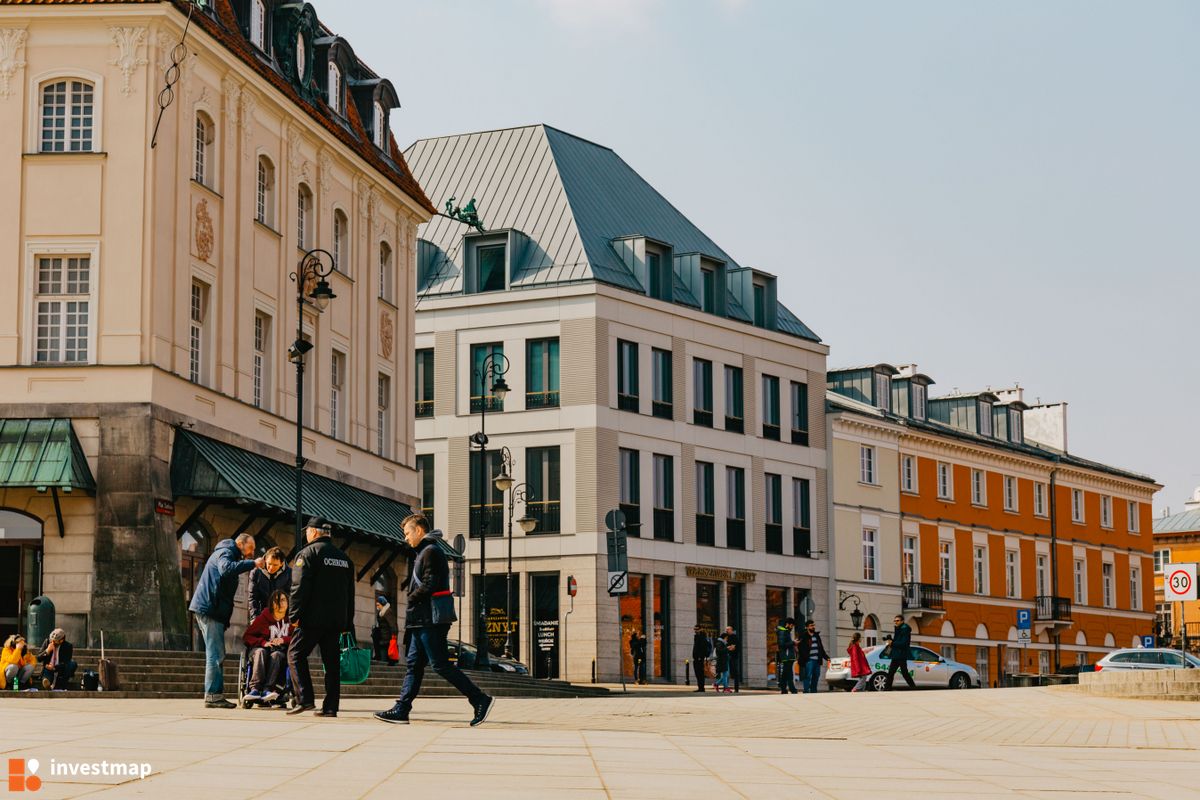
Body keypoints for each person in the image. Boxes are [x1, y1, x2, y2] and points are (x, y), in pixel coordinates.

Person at [375, 515, 493, 726]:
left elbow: (430, 583)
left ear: (419, 530)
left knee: (439, 665)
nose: (406, 538)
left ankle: (479, 699)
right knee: (413, 666)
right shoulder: (424, 552)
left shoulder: (431, 552)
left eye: (408, 533)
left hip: (430, 619)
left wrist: (410, 598)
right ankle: (402, 710)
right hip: (421, 619)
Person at [287, 519, 355, 718]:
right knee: (332, 663)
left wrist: (294, 615)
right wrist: (347, 623)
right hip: (336, 621)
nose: (306, 534)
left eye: (307, 531)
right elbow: (350, 594)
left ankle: (305, 698)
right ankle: (331, 707)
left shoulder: (307, 554)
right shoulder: (344, 559)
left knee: (295, 655)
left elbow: (298, 588)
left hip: (312, 619)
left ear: (314, 533)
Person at [188, 532, 261, 708]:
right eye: (250, 549)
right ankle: (212, 695)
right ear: (241, 544)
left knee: (217, 653)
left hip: (213, 610)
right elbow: (226, 569)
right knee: (215, 654)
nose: (251, 553)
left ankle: (215, 694)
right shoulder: (225, 552)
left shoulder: (229, 553)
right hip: (210, 610)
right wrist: (252, 563)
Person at [243, 589, 294, 705]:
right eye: (276, 601)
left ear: (288, 603)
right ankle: (255, 689)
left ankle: (268, 689)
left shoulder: (291, 620)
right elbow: (247, 636)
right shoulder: (264, 617)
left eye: (283, 600)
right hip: (259, 650)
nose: (280, 603)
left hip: (279, 653)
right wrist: (263, 642)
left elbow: (298, 638)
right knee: (261, 652)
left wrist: (283, 639)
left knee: (276, 655)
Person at [249, 546, 291, 621]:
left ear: (281, 563)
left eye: (275, 565)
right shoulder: (256, 572)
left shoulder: (289, 574)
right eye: (269, 563)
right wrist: (254, 618)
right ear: (265, 560)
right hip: (261, 615)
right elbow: (253, 597)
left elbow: (290, 597)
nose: (271, 568)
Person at [796, 619, 830, 694]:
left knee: (816, 676)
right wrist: (806, 658)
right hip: (809, 660)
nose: (813, 627)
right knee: (808, 676)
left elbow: (821, 648)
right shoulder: (803, 636)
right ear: (807, 627)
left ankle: (813, 690)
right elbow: (800, 648)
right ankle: (806, 690)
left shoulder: (817, 636)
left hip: (817, 660)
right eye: (811, 626)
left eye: (814, 625)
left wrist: (826, 657)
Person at [885, 615, 916, 691]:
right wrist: (891, 640)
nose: (896, 622)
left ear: (902, 621)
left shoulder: (905, 629)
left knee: (904, 673)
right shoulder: (898, 629)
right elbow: (897, 641)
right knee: (891, 672)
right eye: (895, 620)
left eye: (897, 620)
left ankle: (913, 688)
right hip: (896, 654)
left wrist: (892, 643)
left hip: (901, 655)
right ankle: (887, 689)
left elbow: (904, 643)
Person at [776, 617, 797, 694]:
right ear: (787, 624)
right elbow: (782, 645)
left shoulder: (785, 631)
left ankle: (783, 689)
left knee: (785, 674)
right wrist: (793, 642)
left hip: (787, 656)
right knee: (789, 673)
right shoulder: (783, 632)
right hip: (786, 656)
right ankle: (792, 689)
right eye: (791, 626)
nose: (792, 627)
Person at [372, 595, 394, 664]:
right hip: (382, 632)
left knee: (377, 637)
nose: (377, 605)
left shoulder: (387, 611)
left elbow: (392, 624)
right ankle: (378, 656)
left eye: (378, 603)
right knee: (375, 635)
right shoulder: (381, 612)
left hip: (386, 633)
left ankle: (383, 657)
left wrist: (393, 635)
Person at [691, 625, 711, 692]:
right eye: (695, 629)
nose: (695, 630)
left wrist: (700, 656)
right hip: (697, 658)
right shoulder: (698, 636)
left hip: (699, 658)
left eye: (697, 629)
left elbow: (702, 648)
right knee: (698, 673)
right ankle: (700, 687)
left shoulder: (701, 637)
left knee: (699, 673)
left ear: (700, 629)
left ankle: (701, 688)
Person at [723, 626, 741, 693]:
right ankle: (726, 688)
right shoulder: (726, 637)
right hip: (727, 657)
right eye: (726, 629)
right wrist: (729, 647)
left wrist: (730, 647)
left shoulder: (735, 637)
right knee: (726, 672)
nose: (726, 630)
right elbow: (725, 647)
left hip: (734, 657)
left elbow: (734, 647)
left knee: (735, 673)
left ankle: (736, 688)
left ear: (731, 630)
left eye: (728, 629)